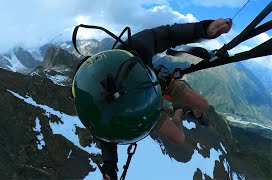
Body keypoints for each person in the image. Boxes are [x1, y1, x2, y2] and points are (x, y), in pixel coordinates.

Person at [98, 18, 232, 180]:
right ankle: (179, 114)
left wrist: (203, 29)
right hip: (143, 109)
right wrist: (110, 166)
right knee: (179, 137)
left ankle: (195, 113)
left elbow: (168, 34)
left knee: (202, 104)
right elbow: (102, 127)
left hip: (156, 82)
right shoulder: (95, 100)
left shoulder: (136, 46)